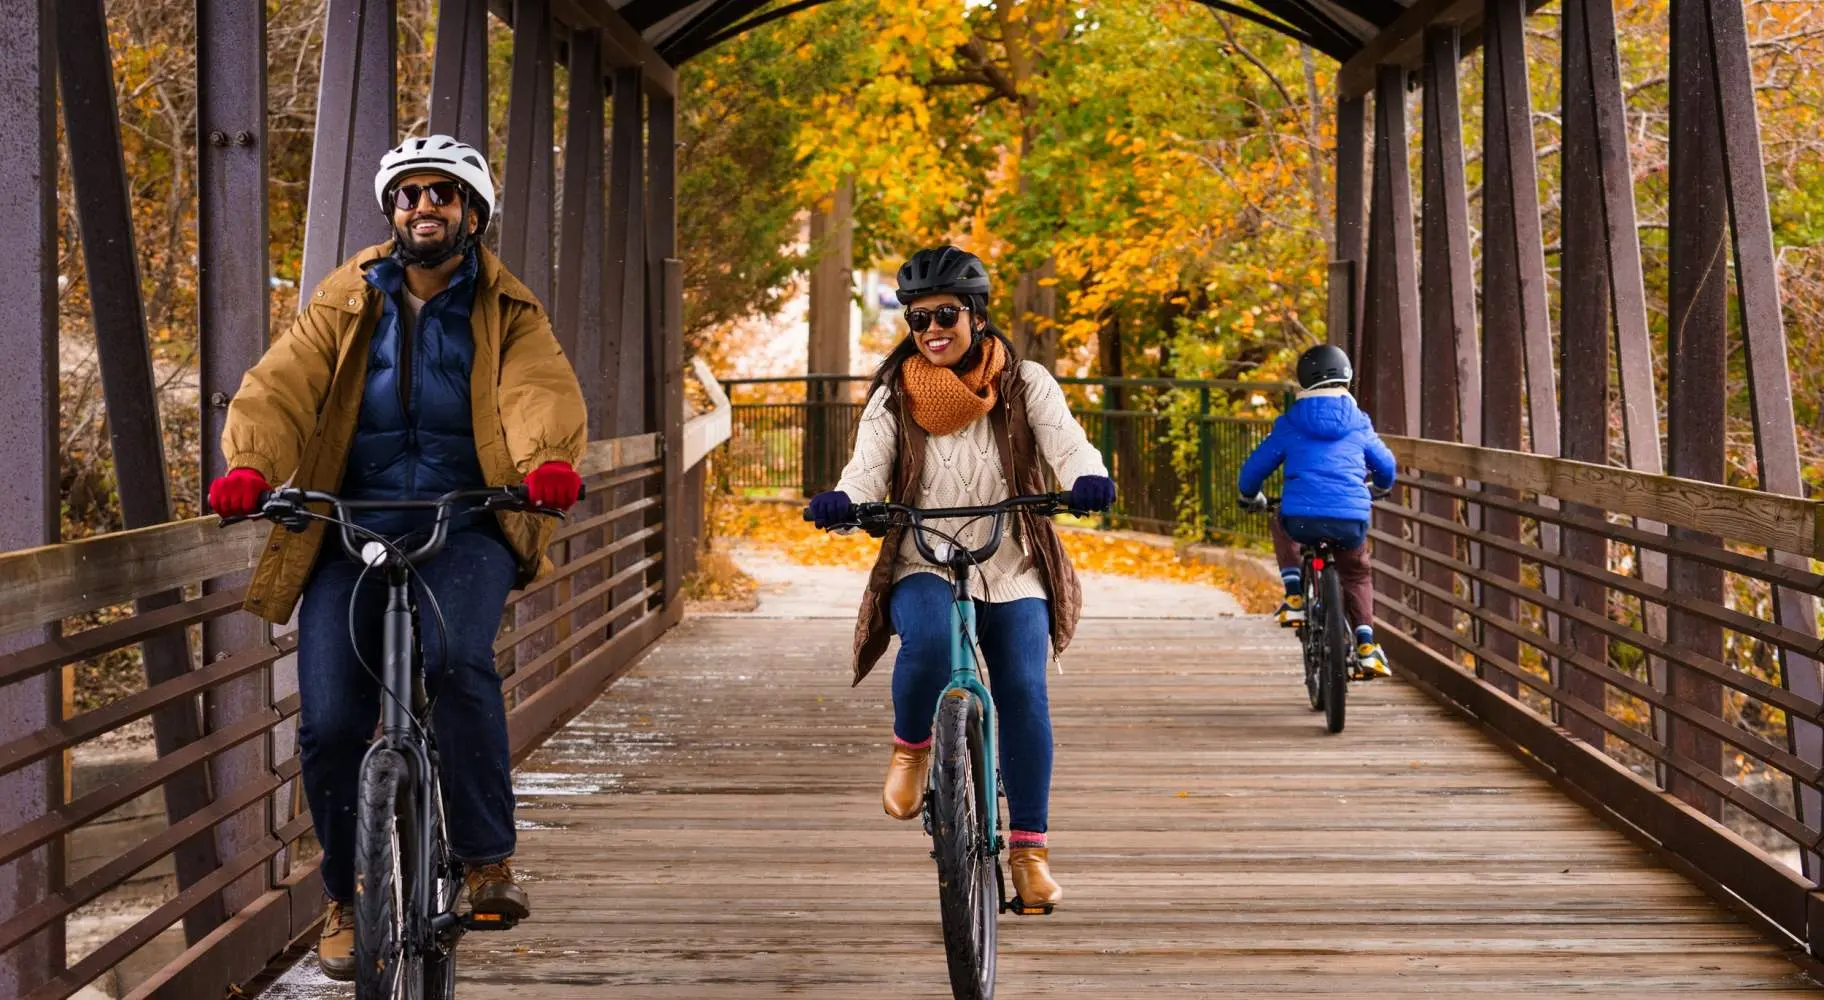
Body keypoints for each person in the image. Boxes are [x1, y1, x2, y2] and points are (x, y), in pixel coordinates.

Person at [206, 135, 588, 981]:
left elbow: (537, 389)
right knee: (332, 720)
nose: (426, 207)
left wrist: (546, 463)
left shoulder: (507, 310)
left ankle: (486, 859)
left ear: (473, 215)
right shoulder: (344, 301)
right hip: (349, 520)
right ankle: (346, 897)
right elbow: (282, 385)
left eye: (443, 196)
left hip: (469, 517)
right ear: (393, 211)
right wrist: (250, 467)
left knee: (456, 660)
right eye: (411, 194)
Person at [807, 245, 1116, 911]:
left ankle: (1029, 854)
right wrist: (844, 501)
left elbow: (1065, 442)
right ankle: (912, 748)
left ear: (976, 314)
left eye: (944, 314)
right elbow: (866, 469)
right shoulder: (893, 397)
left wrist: (1086, 477)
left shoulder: (1025, 382)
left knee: (1025, 694)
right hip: (924, 556)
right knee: (921, 644)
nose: (931, 330)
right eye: (917, 321)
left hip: (1011, 561)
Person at [1236, 344, 1397, 678]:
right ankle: (1366, 645)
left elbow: (1253, 470)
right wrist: (1380, 487)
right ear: (1348, 377)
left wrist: (1249, 496)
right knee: (1356, 571)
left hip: (1302, 518)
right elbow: (1386, 466)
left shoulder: (1290, 423)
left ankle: (1294, 595)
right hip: (1349, 522)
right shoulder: (1359, 423)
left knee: (1279, 517)